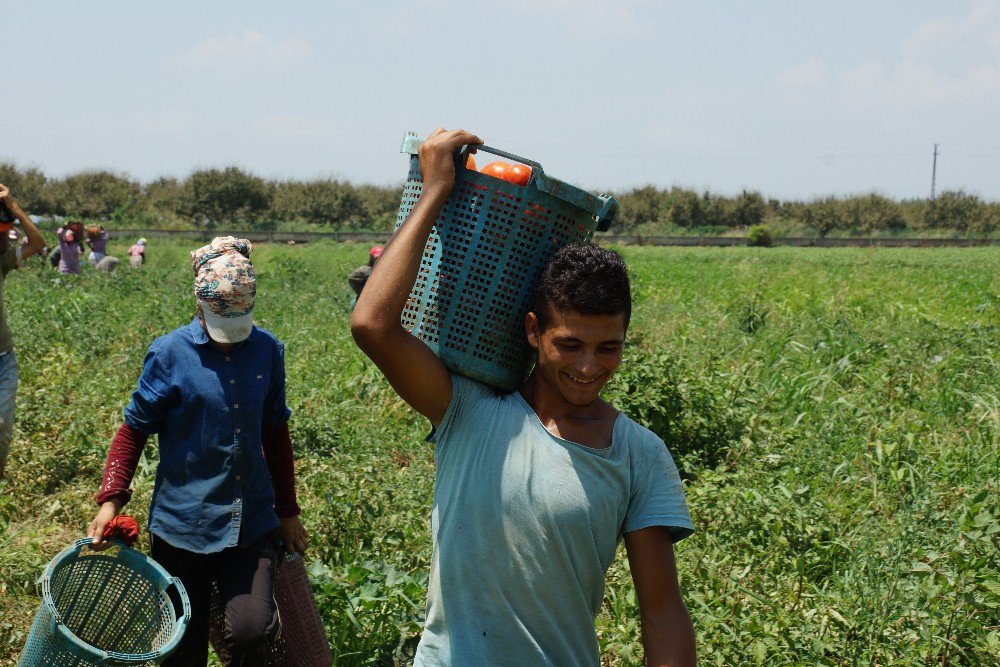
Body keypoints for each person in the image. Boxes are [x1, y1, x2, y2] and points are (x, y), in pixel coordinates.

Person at [351, 129, 696, 665]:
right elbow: (373, 326)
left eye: (609, 348)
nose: (588, 367)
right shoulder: (468, 410)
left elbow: (662, 610)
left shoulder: (637, 454)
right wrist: (436, 189)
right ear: (533, 331)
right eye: (569, 345)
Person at [87, 236, 308, 666]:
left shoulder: (268, 351)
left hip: (250, 520)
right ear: (199, 306)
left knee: (249, 631)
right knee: (180, 651)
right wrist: (111, 499)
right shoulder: (169, 354)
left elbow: (275, 432)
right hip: (181, 524)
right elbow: (133, 430)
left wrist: (288, 511)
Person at [0, 184, 47, 477]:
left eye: (6, 231)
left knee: (2, 425)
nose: (6, 237)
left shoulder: (2, 261)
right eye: (2, 232)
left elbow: (38, 242)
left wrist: (13, 205)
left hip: (3, 358)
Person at [347, 245, 382, 309]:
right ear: (372, 258)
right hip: (367, 298)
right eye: (376, 258)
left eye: (380, 257)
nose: (378, 260)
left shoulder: (387, 269)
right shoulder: (366, 269)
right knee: (354, 304)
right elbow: (351, 277)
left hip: (381, 298)